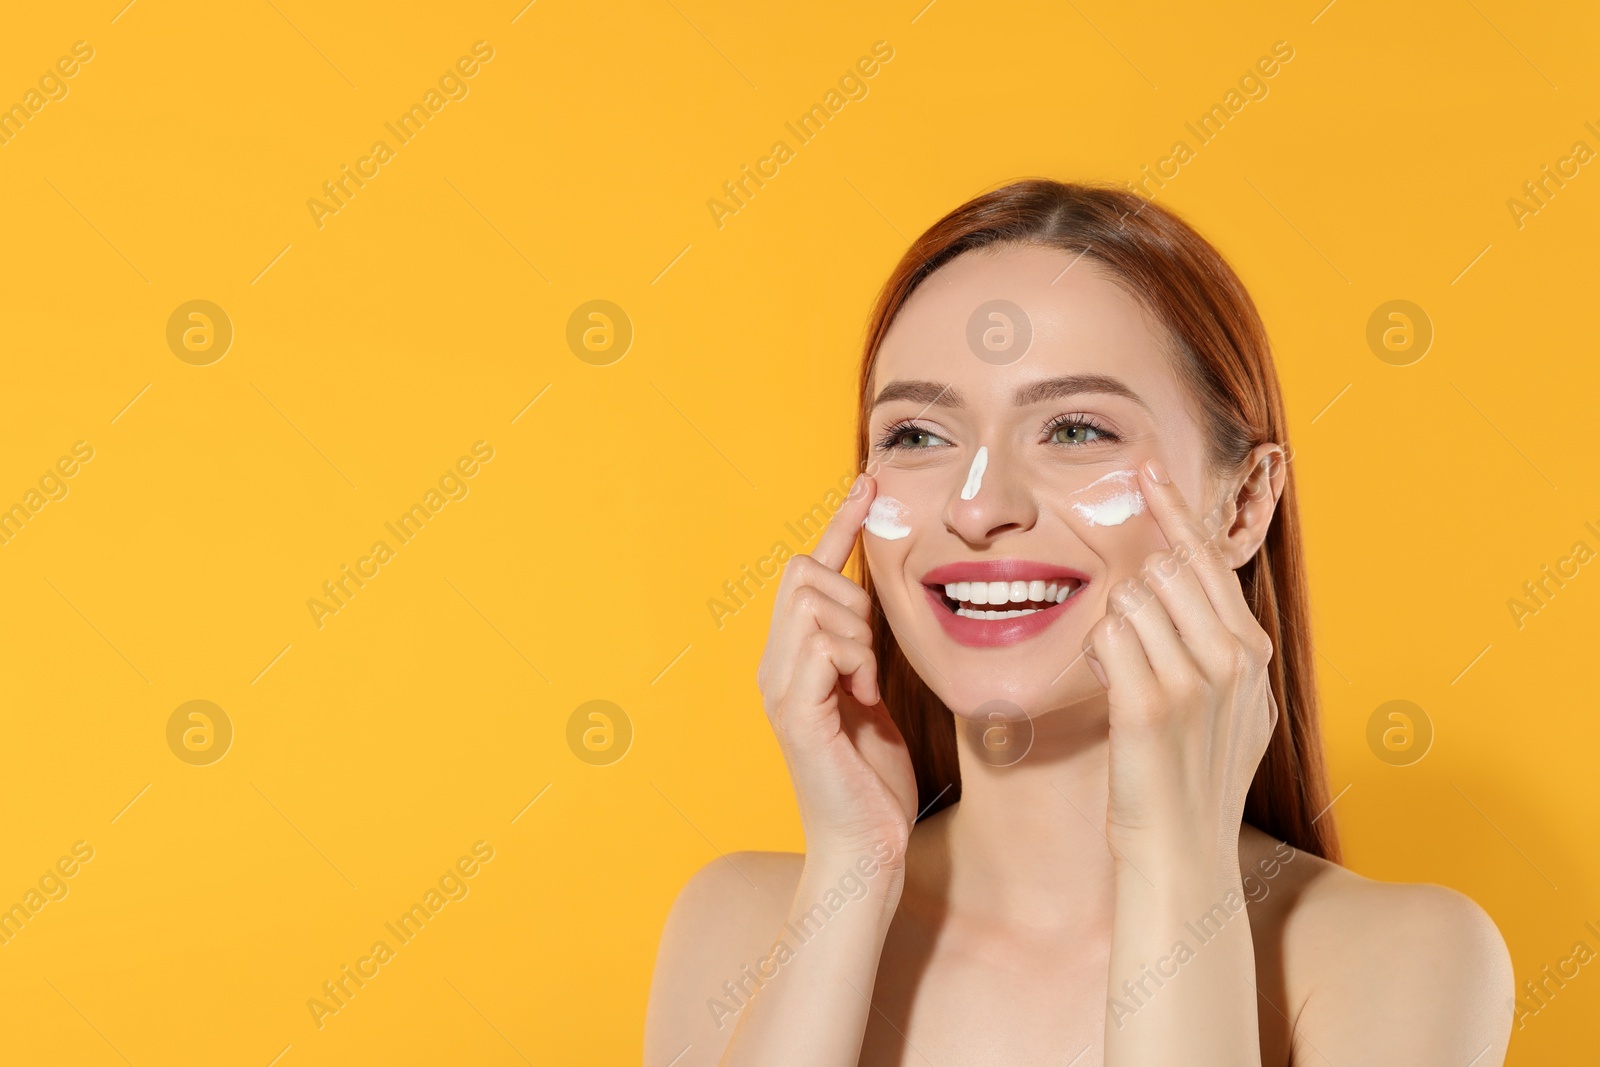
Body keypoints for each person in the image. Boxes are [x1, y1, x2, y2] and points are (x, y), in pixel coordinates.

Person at [645, 179, 1513, 1065]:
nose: (977, 509)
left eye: (1073, 429)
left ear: (1244, 503)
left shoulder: (1403, 958)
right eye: (915, 436)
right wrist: (852, 871)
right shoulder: (738, 929)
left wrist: (1178, 862)